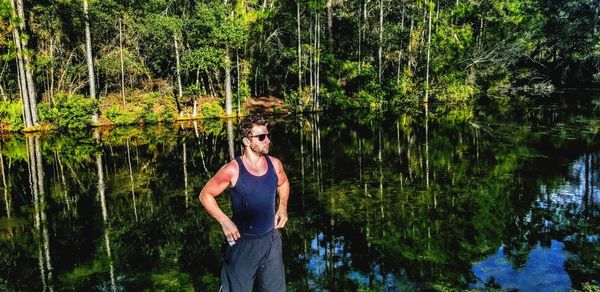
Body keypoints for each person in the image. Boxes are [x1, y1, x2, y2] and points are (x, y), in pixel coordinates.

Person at [199, 115, 290, 292]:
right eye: (262, 137)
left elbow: (284, 183)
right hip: (242, 245)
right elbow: (205, 195)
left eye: (268, 135)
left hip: (271, 242)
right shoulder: (232, 170)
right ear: (247, 141)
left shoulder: (275, 164)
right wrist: (225, 221)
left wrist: (283, 207)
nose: (268, 140)